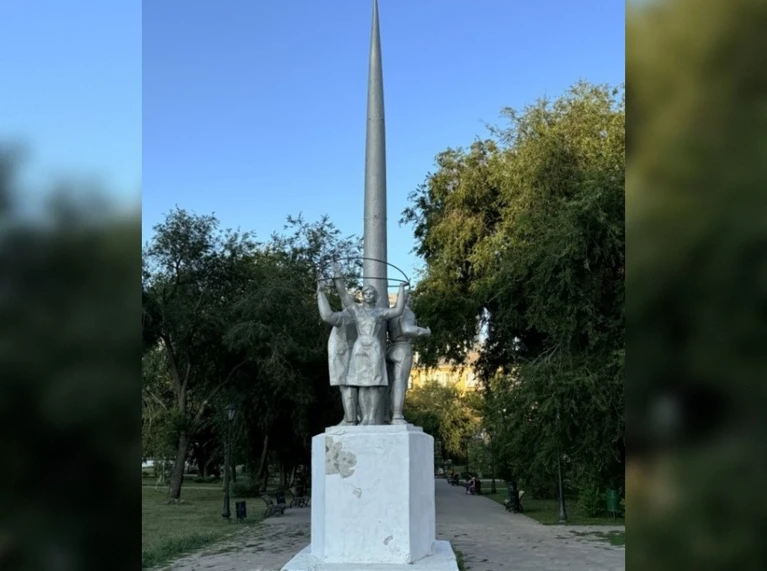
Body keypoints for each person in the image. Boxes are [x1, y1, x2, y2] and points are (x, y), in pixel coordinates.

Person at [333, 262, 408, 425]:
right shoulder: (356, 310)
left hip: (374, 347)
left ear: (376, 296)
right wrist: (338, 277)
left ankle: (371, 417)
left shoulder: (380, 312)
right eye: (365, 293)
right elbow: (343, 295)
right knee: (361, 384)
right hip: (360, 347)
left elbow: (398, 310)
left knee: (374, 383)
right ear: (362, 295)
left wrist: (401, 289)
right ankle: (364, 417)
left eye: (371, 293)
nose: (368, 295)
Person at [317, 277, 358, 425]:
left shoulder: (347, 316)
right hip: (350, 354)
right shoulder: (357, 316)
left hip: (344, 355)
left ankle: (350, 419)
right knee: (349, 387)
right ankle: (352, 417)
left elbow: (327, 316)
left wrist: (321, 293)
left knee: (347, 387)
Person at [386, 294, 431, 424]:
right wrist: (425, 331)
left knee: (388, 385)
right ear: (405, 299)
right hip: (403, 348)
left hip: (390, 348)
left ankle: (385, 415)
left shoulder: (392, 313)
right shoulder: (407, 312)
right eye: (411, 298)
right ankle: (397, 415)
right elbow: (407, 329)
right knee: (400, 382)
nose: (412, 301)